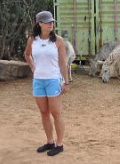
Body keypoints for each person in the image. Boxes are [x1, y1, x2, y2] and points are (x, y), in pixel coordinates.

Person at [24, 11, 69, 156]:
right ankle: (49, 141)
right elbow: (26, 54)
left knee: (56, 113)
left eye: (52, 21)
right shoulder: (32, 39)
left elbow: (63, 63)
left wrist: (66, 81)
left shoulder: (58, 40)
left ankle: (59, 144)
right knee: (44, 113)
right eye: (48, 22)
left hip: (53, 80)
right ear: (40, 23)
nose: (51, 24)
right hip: (38, 81)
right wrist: (32, 65)